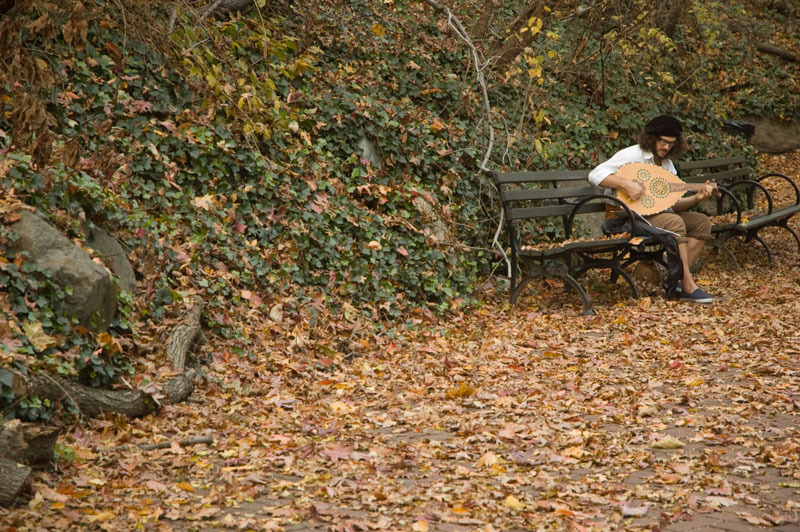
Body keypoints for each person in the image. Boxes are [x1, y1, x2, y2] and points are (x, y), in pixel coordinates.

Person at [588, 115, 716, 303]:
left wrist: (696, 198)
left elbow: (671, 205)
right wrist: (626, 184)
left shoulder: (667, 165)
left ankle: (678, 280)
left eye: (671, 143)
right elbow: (595, 174)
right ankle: (688, 284)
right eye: (663, 142)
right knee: (674, 222)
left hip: (656, 215)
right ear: (652, 138)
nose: (666, 147)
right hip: (626, 217)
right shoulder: (632, 155)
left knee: (701, 223)